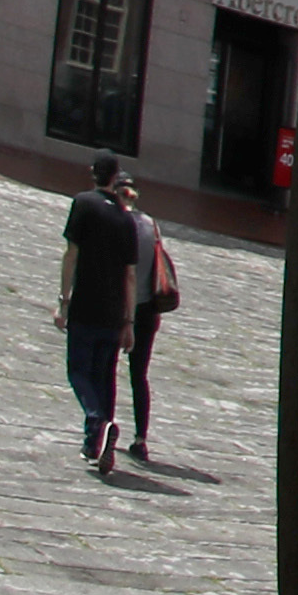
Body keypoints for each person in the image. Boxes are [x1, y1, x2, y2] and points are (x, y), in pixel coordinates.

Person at [56, 157, 143, 480]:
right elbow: (130, 276)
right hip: (114, 311)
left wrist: (63, 300)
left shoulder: (83, 204)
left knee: (78, 372)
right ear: (116, 178)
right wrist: (129, 321)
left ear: (94, 174)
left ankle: (97, 422)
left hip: (86, 305)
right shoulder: (126, 219)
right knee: (104, 378)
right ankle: (95, 443)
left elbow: (71, 254)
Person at [120, 180, 183, 465]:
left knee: (106, 368)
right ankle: (140, 438)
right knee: (139, 376)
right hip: (148, 312)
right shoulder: (151, 224)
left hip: (121, 309)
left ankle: (101, 427)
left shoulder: (119, 224)